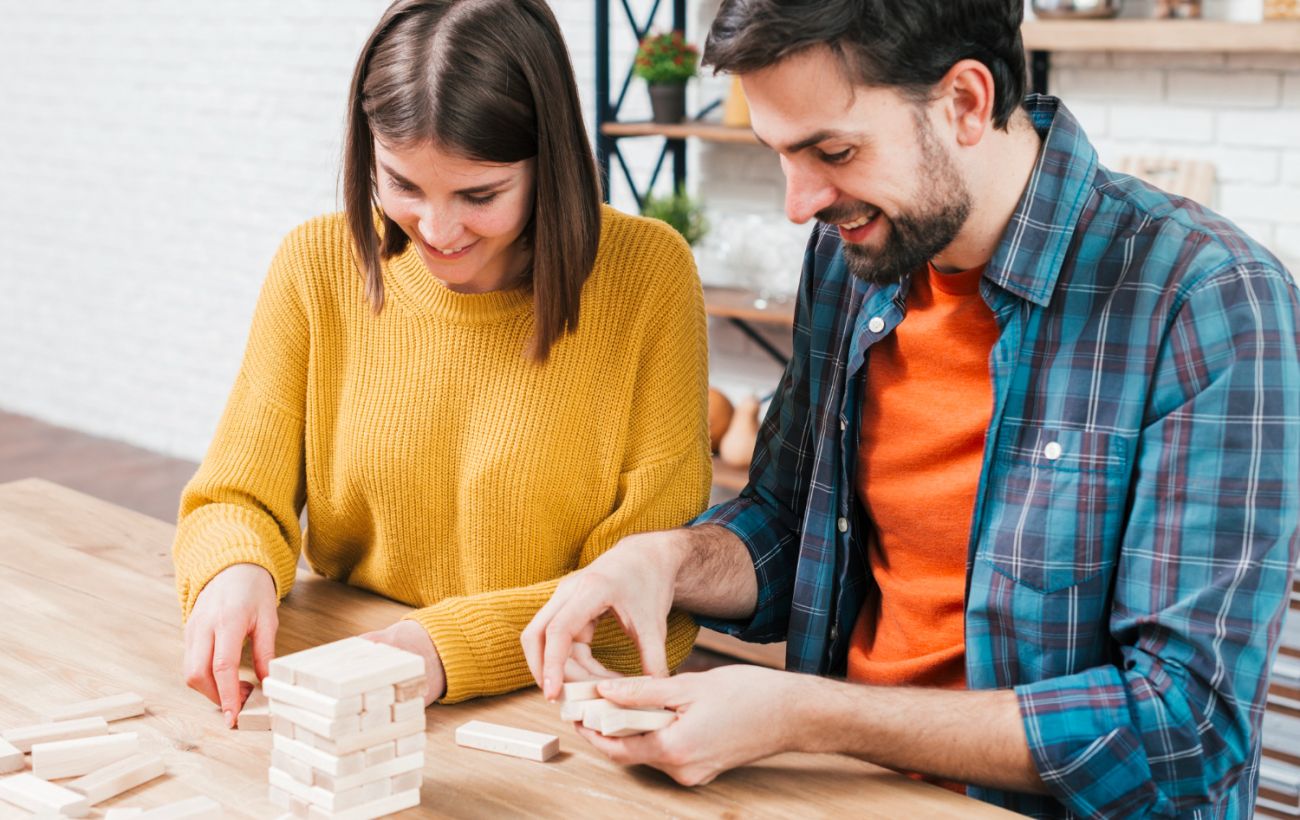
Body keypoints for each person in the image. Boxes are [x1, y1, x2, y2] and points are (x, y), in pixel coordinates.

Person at [522, 0, 1300, 815]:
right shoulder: (850, 256)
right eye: (781, 153)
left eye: (833, 150)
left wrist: (807, 715)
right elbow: (793, 525)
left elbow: (1185, 729)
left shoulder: (1208, 300)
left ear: (965, 101)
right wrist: (666, 563)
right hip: (837, 796)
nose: (799, 202)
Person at [173, 0, 710, 729]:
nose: (438, 229)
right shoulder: (316, 266)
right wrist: (235, 569)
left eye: (479, 195)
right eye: (402, 185)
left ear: (547, 162)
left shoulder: (647, 276)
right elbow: (233, 499)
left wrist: (439, 648)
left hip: (554, 708)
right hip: (351, 677)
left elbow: (644, 601)